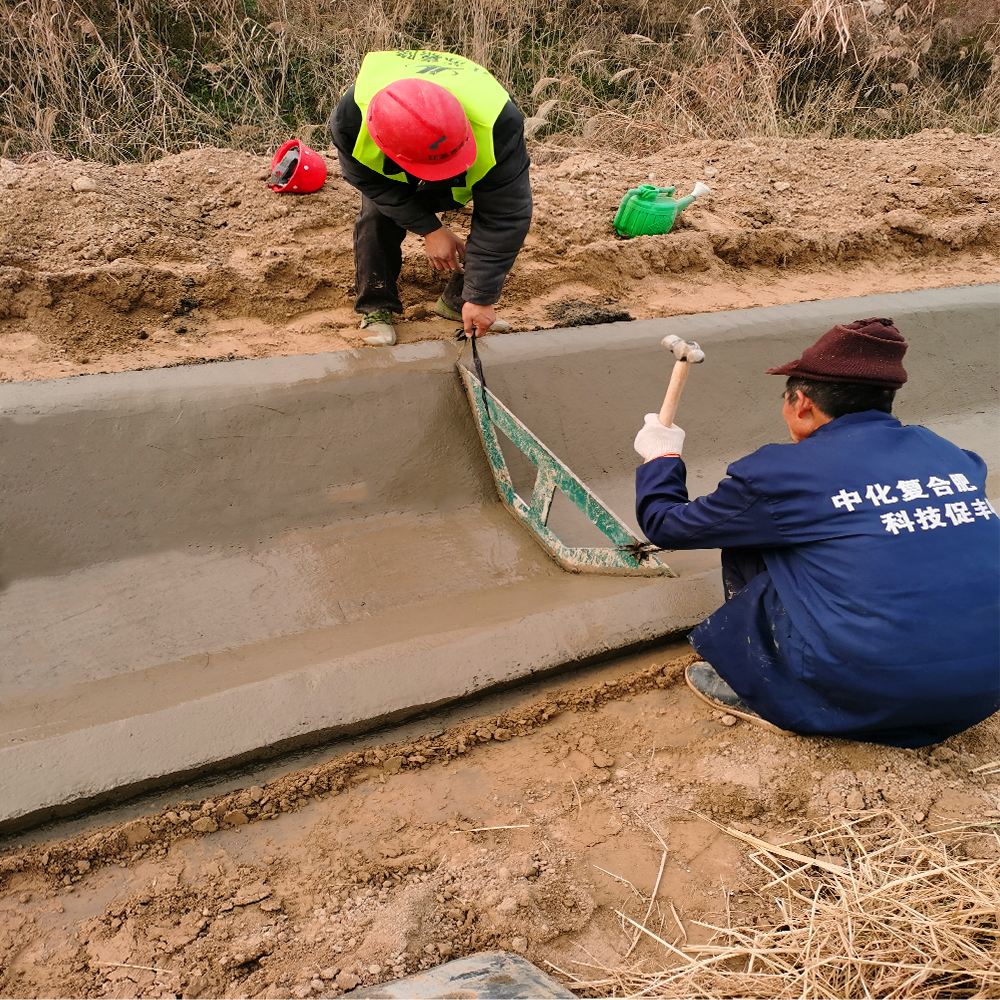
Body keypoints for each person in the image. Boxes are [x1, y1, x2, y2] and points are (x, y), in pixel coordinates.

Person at [633, 317, 1000, 748]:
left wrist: (661, 455)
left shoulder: (779, 475)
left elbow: (666, 524)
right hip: (983, 690)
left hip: (878, 694)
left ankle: (766, 683)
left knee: (747, 535)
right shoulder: (951, 455)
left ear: (801, 402)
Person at [329, 49, 532, 346]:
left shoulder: (499, 124)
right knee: (376, 216)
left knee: (495, 231)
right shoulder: (351, 120)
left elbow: (505, 216)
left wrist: (480, 297)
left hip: (467, 149)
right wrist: (430, 229)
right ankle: (376, 306)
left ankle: (459, 302)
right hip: (392, 169)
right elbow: (371, 183)